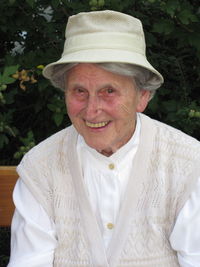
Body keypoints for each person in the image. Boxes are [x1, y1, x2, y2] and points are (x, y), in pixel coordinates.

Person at [8, 10, 200, 267]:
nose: (90, 110)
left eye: (109, 91)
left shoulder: (189, 165)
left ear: (142, 96)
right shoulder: (40, 169)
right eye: (79, 91)